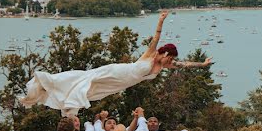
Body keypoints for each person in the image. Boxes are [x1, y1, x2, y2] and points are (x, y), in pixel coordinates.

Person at [20, 11, 212, 115]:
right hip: (118, 73)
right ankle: (49, 85)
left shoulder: (164, 66)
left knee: (93, 93)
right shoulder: (151, 55)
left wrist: (202, 65)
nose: (171, 61)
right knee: (86, 80)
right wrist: (161, 20)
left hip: (122, 84)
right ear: (164, 52)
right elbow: (157, 36)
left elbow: (184, 65)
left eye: (171, 59)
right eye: (170, 57)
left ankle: (67, 102)